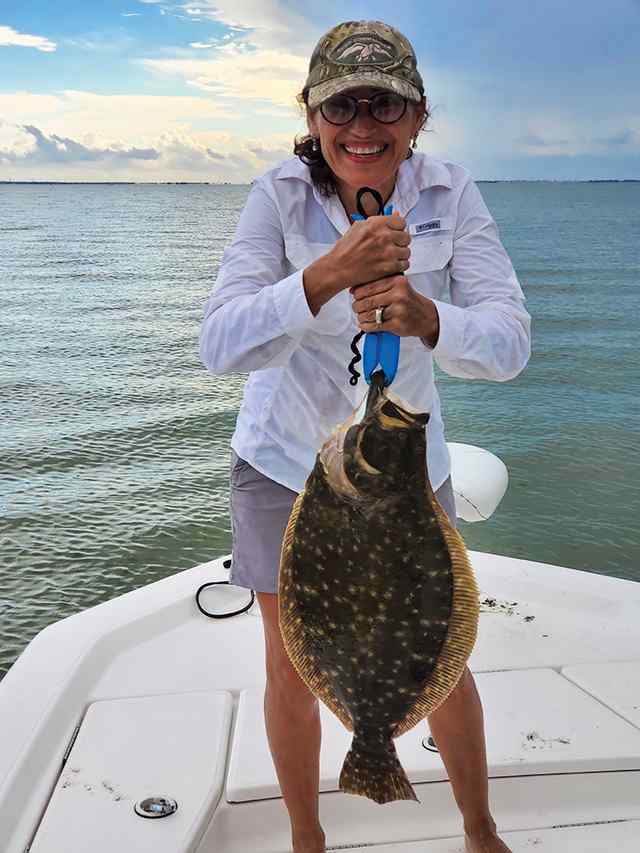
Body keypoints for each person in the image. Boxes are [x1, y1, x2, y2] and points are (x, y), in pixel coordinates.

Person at [199, 19, 530, 853]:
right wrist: (321, 278)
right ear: (312, 116)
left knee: (439, 654)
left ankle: (480, 830)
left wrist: (429, 317)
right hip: (284, 461)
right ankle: (307, 838)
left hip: (402, 465)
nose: (362, 125)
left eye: (385, 104)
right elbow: (220, 345)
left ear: (418, 116)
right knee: (290, 662)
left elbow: (509, 343)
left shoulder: (451, 193)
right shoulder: (277, 196)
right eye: (341, 105)